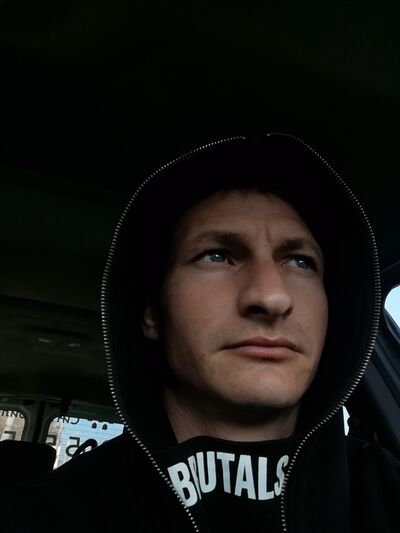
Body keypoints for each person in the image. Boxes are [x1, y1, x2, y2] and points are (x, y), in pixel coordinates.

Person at [0, 134, 399, 532]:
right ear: (153, 312)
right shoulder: (38, 517)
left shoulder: (386, 490)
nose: (271, 296)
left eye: (300, 262)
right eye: (217, 255)